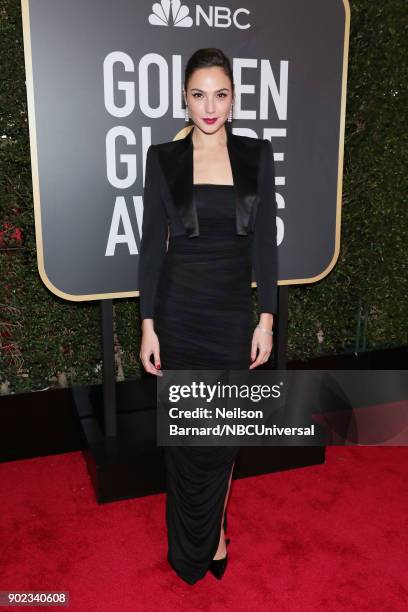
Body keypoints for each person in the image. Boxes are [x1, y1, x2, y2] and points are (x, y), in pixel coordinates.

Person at [138, 48, 278, 584]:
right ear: (184, 98)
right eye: (198, 94)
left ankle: (215, 528)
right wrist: (148, 324)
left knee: (222, 435)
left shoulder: (256, 156)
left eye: (220, 93)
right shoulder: (163, 159)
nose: (209, 105)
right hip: (177, 310)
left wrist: (265, 318)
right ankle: (197, 542)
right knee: (185, 436)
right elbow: (152, 247)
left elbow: (264, 245)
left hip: (227, 314)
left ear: (234, 98)